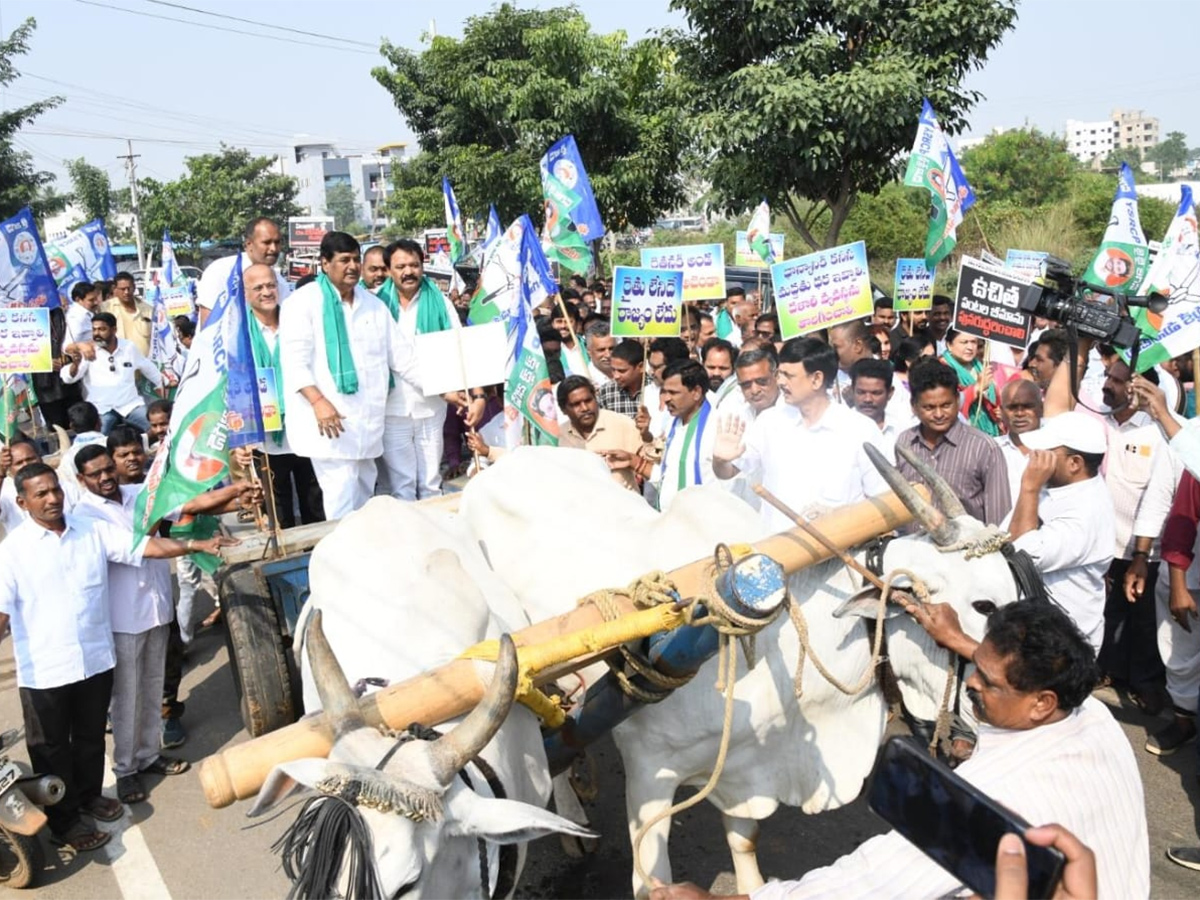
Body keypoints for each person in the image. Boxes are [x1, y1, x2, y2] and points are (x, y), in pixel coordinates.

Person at [651, 603, 1147, 900]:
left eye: (986, 680)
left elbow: (868, 885)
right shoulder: (1095, 720)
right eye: (974, 662)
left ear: (1042, 703)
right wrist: (958, 639)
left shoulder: (999, 798)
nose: (970, 681)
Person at [0, 463, 232, 852]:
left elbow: (144, 547)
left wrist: (194, 546)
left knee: (91, 739)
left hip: (94, 659)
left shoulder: (90, 530)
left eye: (55, 490)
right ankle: (65, 822)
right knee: (51, 749)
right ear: (22, 503)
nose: (53, 498)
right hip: (45, 673)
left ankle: (90, 796)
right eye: (41, 494)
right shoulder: (12, 552)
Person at [74, 446, 193, 804]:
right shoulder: (85, 516)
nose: (106, 477)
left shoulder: (139, 494)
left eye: (108, 469)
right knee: (126, 697)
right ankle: (125, 769)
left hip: (156, 609)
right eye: (96, 474)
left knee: (154, 688)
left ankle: (149, 755)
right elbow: (141, 547)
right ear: (82, 480)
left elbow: (188, 506)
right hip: (123, 619)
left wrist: (234, 495)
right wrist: (197, 543)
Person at [279, 232, 426, 518]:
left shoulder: (373, 304)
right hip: (329, 426)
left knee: (363, 499)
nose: (352, 266)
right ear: (324, 263)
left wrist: (448, 389)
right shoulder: (303, 303)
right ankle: (342, 560)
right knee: (341, 500)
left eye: (356, 260)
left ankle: (360, 557)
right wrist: (318, 402)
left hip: (366, 424)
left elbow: (403, 359)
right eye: (344, 260)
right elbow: (294, 363)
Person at [713, 337, 888, 532]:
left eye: (789, 376)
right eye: (780, 374)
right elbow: (728, 472)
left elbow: (883, 501)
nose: (780, 382)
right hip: (778, 552)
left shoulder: (859, 430)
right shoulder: (769, 423)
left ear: (816, 379)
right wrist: (720, 460)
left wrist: (841, 519)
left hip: (842, 554)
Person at [374, 238, 481, 500]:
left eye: (414, 265)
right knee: (402, 486)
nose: (408, 272)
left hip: (432, 406)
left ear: (423, 266)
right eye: (400, 266)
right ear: (389, 270)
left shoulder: (440, 303)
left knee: (431, 484)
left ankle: (436, 539)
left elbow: (460, 346)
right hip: (392, 408)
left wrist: (478, 396)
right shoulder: (375, 305)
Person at [1097, 361, 1176, 714]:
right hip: (1103, 543)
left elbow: (1159, 496)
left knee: (1145, 620)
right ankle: (1107, 670)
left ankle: (1146, 683)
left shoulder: (1159, 434)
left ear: (1138, 388)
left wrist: (1144, 554)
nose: (1107, 385)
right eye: (1108, 377)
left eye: (1117, 380)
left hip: (1147, 549)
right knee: (1108, 613)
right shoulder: (1100, 421)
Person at [1008, 411, 1116, 653]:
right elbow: (1006, 535)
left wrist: (1029, 488)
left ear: (1074, 463)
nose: (1035, 458)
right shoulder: (1056, 487)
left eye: (1046, 452)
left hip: (1064, 645)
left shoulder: (1087, 511)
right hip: (1037, 632)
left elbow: (1021, 556)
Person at [241, 262, 325, 526]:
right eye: (258, 288)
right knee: (278, 511)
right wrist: (242, 438)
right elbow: (235, 384)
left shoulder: (296, 320)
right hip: (266, 435)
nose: (267, 292)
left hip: (307, 426)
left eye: (271, 285)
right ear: (246, 293)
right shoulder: (238, 333)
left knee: (315, 501)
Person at [895, 359, 1011, 526]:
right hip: (914, 548)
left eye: (946, 405)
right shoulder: (904, 442)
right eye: (929, 408)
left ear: (958, 400)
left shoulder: (984, 447)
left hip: (967, 550)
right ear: (914, 406)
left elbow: (999, 519)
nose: (939, 414)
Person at [1152, 470, 1200, 757]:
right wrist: (1179, 586)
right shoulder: (1198, 455)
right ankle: (1183, 724)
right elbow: (1183, 520)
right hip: (1190, 580)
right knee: (1181, 654)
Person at [61, 312, 164, 434]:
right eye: (94, 330)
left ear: (114, 330)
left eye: (102, 329)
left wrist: (163, 384)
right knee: (98, 438)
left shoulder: (128, 347)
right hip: (101, 409)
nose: (97, 334)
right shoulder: (89, 350)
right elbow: (68, 378)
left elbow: (148, 368)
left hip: (130, 405)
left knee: (158, 427)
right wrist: (75, 364)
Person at [555, 375, 650, 492]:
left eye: (588, 400)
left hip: (625, 506)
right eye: (576, 404)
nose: (584, 408)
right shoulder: (558, 437)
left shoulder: (622, 424)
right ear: (563, 409)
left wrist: (646, 436)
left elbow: (654, 467)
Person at [196, 217, 290, 328]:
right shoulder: (221, 271)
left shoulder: (280, 283)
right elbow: (208, 325)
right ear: (249, 244)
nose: (273, 248)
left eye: (277, 242)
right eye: (267, 242)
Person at [651, 359, 720, 511]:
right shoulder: (671, 423)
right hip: (670, 520)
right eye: (664, 392)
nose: (666, 399)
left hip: (705, 521)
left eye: (673, 393)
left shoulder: (717, 425)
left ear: (696, 392)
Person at [942, 329, 1001, 436]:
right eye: (964, 342)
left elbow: (995, 397)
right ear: (949, 345)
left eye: (973, 342)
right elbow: (948, 402)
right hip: (961, 431)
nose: (970, 347)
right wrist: (976, 388)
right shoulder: (941, 367)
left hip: (989, 431)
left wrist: (999, 411)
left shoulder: (980, 366)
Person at [995, 379, 1043, 508]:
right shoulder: (991, 450)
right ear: (1001, 411)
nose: (1020, 413)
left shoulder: (1056, 449)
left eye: (1027, 406)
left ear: (1041, 408)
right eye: (1012, 407)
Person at [850, 357, 901, 457]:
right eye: (861, 392)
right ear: (852, 390)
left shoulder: (901, 427)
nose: (867, 399)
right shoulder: (839, 428)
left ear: (890, 393)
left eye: (876, 393)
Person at [103, 271, 153, 358]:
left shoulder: (148, 309)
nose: (126, 292)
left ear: (134, 287)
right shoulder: (106, 308)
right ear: (115, 289)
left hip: (145, 363)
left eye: (129, 288)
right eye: (122, 289)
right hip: (120, 363)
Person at [597, 340, 647, 422]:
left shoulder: (656, 389)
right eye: (613, 370)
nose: (616, 376)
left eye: (622, 371)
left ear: (641, 367)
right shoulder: (606, 392)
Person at [827, 319, 873, 399]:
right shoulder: (831, 379)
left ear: (857, 346)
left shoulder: (887, 377)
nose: (832, 352)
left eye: (836, 347)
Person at [551, 300, 591, 377]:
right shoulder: (548, 351)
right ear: (552, 324)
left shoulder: (588, 346)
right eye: (559, 321)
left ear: (578, 323)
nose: (563, 326)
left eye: (568, 321)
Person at [64, 280, 100, 351]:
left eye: (96, 299)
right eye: (91, 300)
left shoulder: (87, 313)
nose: (96, 302)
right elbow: (68, 345)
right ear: (78, 299)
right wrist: (83, 346)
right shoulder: (77, 317)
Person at [702, 337, 738, 403]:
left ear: (733, 368)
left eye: (723, 368)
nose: (716, 373)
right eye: (711, 367)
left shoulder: (739, 396)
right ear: (702, 365)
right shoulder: (691, 394)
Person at [584, 321, 616, 387]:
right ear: (589, 352)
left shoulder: (628, 375)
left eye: (611, 348)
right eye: (601, 350)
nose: (608, 355)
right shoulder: (585, 381)